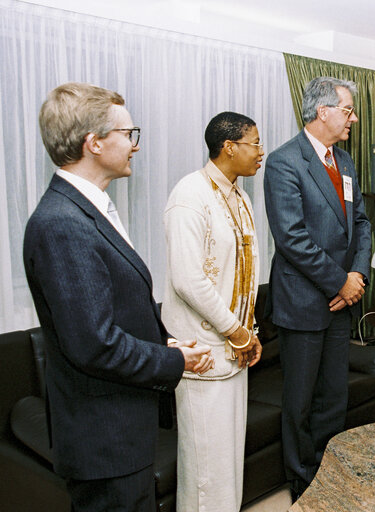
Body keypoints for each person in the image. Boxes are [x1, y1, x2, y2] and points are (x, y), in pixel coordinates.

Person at [23, 82, 213, 512]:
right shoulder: (62, 224)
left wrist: (163, 342)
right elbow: (93, 343)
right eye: (129, 134)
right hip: (103, 438)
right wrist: (174, 361)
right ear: (93, 143)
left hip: (119, 430)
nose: (135, 145)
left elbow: (113, 311)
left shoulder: (87, 209)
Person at [263, 76, 371, 500]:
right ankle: (302, 485)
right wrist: (340, 280)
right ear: (322, 111)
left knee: (334, 397)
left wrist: (357, 277)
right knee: (301, 403)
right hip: (305, 301)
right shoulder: (284, 162)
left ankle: (329, 474)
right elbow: (291, 239)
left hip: (342, 301)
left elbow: (360, 223)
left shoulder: (343, 161)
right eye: (347, 110)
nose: (354, 118)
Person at [161, 111, 264, 511]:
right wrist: (237, 331)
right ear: (229, 147)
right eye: (254, 143)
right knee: (205, 470)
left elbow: (245, 272)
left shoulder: (238, 195)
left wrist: (246, 331)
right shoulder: (190, 195)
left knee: (226, 463)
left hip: (234, 350)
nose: (260, 152)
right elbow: (188, 279)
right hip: (203, 352)